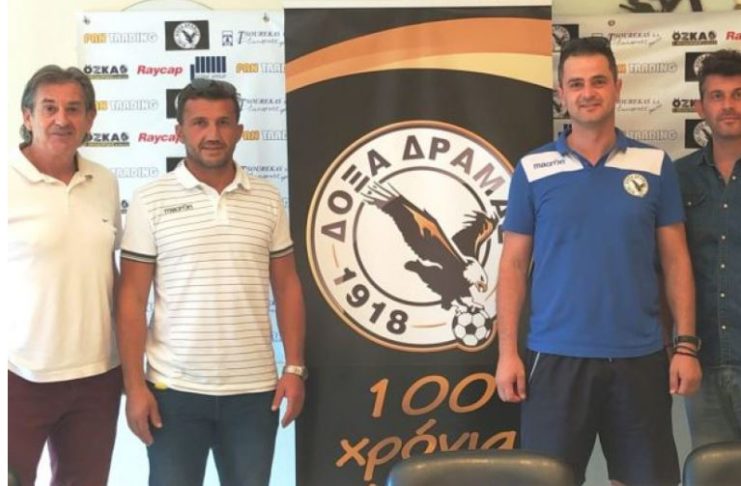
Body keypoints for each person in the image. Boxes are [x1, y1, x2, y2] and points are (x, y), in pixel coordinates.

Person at [495, 37, 702, 485]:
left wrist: (685, 345)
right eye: (576, 84)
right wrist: (507, 353)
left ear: (617, 87)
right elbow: (512, 266)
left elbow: (676, 261)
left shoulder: (655, 164)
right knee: (547, 481)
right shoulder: (532, 169)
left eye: (598, 81)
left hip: (640, 357)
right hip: (554, 359)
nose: (587, 92)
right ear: (561, 94)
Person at [116, 78, 307, 486]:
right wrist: (134, 387)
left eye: (223, 122)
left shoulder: (267, 199)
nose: (213, 134)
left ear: (239, 130)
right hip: (172, 392)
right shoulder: (150, 199)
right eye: (199, 123)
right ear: (179, 131)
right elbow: (131, 298)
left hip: (254, 394)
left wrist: (294, 367)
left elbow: (287, 285)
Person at [8, 65, 123, 486]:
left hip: (97, 376)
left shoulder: (104, 181)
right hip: (19, 375)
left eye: (74, 109)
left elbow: (109, 268)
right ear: (28, 116)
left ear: (90, 119)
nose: (62, 119)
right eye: (49, 108)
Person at [675, 48, 741, 448]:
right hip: (705, 358)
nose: (728, 105)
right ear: (701, 108)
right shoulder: (677, 177)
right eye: (717, 96)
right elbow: (668, 265)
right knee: (714, 472)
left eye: (737, 94)